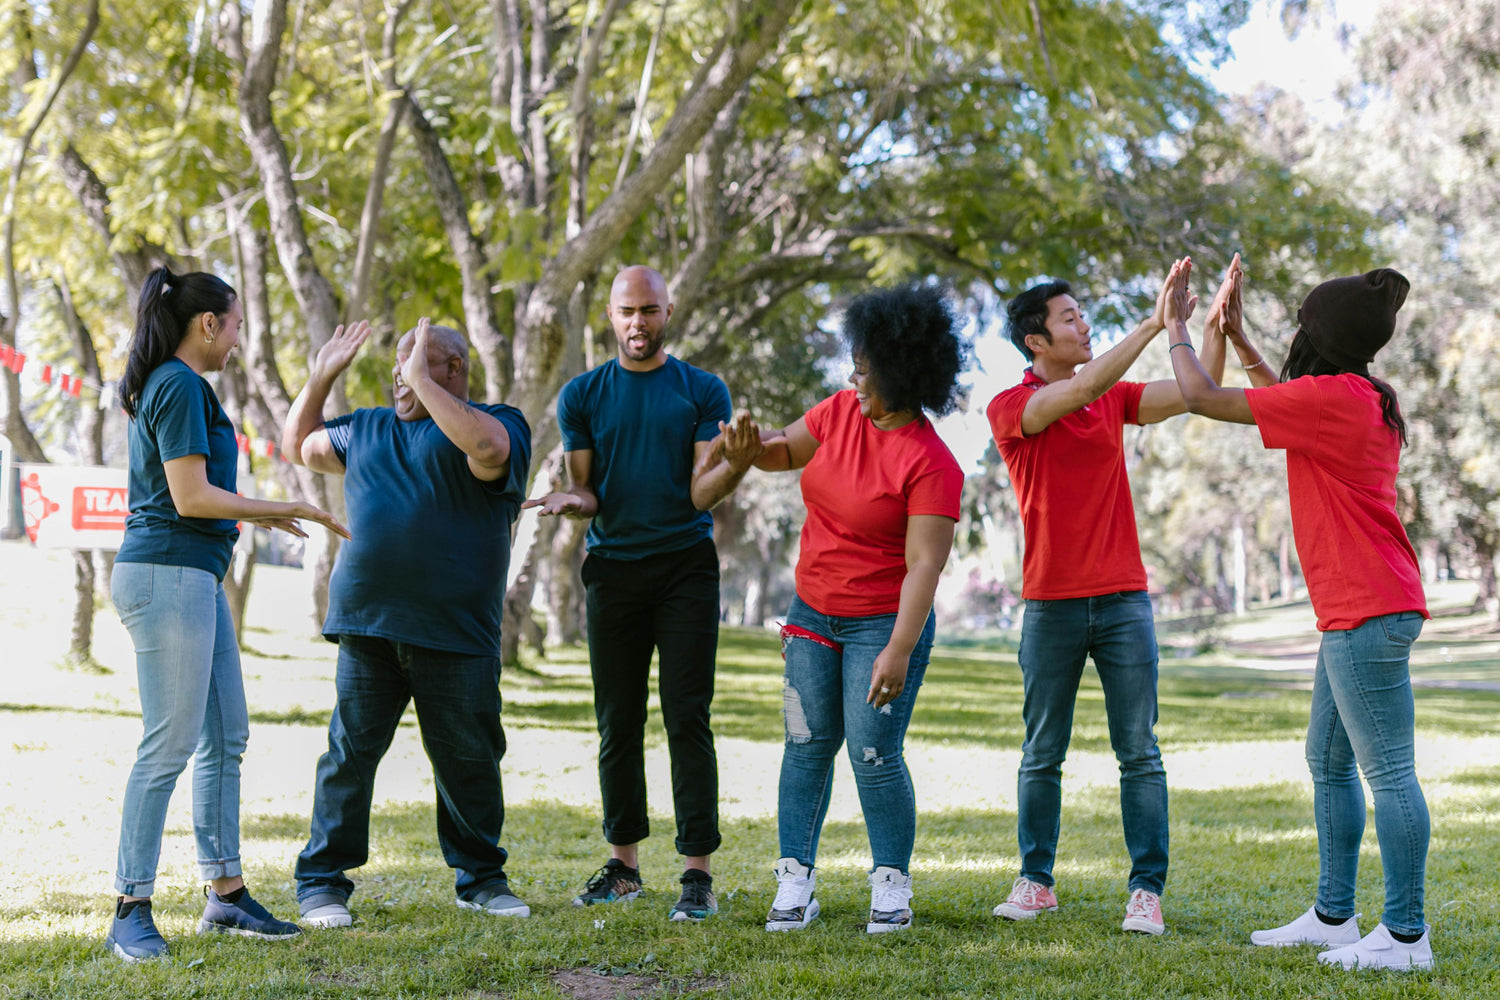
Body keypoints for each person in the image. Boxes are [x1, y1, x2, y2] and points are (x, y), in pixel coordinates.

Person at [1166, 262, 1433, 971]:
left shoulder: (1328, 400)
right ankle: (1333, 916)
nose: (1295, 335)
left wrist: (1176, 325)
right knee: (1328, 760)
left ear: (1319, 339)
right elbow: (1283, 401)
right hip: (1366, 605)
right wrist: (1242, 337)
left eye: (1300, 326)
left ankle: (1407, 937)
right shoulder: (1359, 396)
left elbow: (1198, 394)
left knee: (1390, 774)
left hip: (1363, 610)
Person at [107, 266, 349, 962]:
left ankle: (225, 894)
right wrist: (286, 507)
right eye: (236, 324)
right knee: (170, 744)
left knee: (225, 735)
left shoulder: (181, 385)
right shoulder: (179, 384)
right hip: (166, 573)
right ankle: (130, 906)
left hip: (193, 576)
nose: (238, 338)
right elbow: (190, 496)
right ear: (208, 323)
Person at [985, 259, 1228, 936]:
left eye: (1082, 314)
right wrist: (1153, 322)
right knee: (1042, 752)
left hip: (1124, 601)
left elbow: (1196, 391)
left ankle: (1146, 892)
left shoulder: (1111, 400)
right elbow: (1086, 383)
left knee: (1139, 752)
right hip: (1051, 605)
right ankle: (1036, 882)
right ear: (1036, 340)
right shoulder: (1013, 407)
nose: (1083, 323)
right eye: (1070, 317)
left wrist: (1208, 329)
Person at [524, 265, 757, 922]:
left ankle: (696, 874)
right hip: (614, 570)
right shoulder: (582, 395)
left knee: (688, 715)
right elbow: (589, 489)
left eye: (649, 311)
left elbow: (698, 490)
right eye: (627, 311)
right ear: (610, 315)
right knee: (617, 721)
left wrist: (735, 465)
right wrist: (573, 500)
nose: (638, 323)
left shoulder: (701, 390)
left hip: (685, 566)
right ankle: (624, 867)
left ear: (669, 311)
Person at [281, 316, 532, 927]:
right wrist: (319, 378)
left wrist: (423, 379)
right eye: (398, 362)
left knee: (469, 758)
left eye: (417, 359)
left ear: (453, 369)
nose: (401, 373)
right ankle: (321, 884)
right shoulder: (367, 427)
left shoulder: (499, 424)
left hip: (455, 633)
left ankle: (481, 880)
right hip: (368, 627)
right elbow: (300, 445)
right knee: (348, 755)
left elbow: (489, 452)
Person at [746, 283, 966, 935]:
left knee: (873, 752)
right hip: (810, 614)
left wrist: (899, 648)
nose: (854, 379)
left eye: (866, 370)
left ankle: (891, 885)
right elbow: (781, 451)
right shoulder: (837, 412)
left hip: (882, 624)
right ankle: (795, 880)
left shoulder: (932, 463)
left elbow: (925, 564)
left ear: (902, 374)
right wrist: (744, 444)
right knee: (805, 742)